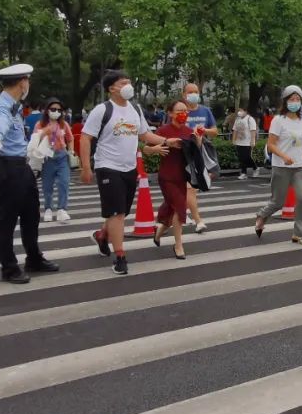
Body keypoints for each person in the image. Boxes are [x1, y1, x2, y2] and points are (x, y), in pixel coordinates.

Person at [80, 70, 177, 276]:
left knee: (120, 211)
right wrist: (86, 167)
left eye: (129, 82)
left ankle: (102, 235)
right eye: (123, 83)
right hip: (107, 166)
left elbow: (145, 134)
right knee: (117, 213)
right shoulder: (102, 110)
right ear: (111, 88)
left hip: (129, 167)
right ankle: (120, 257)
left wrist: (167, 141)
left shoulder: (135, 109)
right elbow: (86, 137)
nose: (128, 86)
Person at [0, 64, 60, 284]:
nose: (28, 85)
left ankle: (34, 258)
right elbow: (0, 125)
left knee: (31, 215)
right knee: (6, 220)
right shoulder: (2, 107)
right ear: (22, 83)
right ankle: (9, 268)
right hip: (7, 167)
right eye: (27, 81)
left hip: (21, 166)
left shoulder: (14, 106)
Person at [254, 85, 302, 245]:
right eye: (292, 99)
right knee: (278, 202)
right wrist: (284, 156)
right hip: (281, 166)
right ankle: (262, 216)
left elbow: (300, 142)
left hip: (300, 166)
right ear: (285, 101)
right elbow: (271, 145)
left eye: (298, 99)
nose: (295, 102)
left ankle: (299, 234)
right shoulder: (278, 120)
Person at [153, 99, 202, 259]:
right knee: (180, 207)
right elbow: (146, 148)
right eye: (179, 111)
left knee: (172, 208)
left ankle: (159, 232)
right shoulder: (162, 131)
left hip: (182, 177)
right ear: (170, 113)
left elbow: (195, 154)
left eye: (185, 111)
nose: (183, 114)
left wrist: (198, 140)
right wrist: (156, 149)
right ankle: (178, 245)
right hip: (167, 176)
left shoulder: (188, 131)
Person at [181, 82, 218, 233]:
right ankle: (198, 221)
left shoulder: (205, 110)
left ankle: (174, 216)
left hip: (200, 153)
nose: (193, 94)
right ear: (184, 94)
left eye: (196, 92)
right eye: (190, 92)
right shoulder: (180, 111)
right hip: (183, 153)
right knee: (190, 188)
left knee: (190, 189)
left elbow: (215, 131)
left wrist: (204, 131)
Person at [35, 98, 73, 223]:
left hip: (62, 156)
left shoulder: (63, 124)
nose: (56, 112)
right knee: (47, 185)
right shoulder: (40, 124)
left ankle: (62, 209)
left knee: (64, 183)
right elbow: (34, 140)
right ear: (47, 110)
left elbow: (70, 138)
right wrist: (44, 132)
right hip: (47, 157)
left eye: (59, 110)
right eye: (53, 109)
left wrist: (71, 151)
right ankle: (48, 209)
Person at [232, 102, 258, 180]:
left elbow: (253, 130)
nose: (239, 112)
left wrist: (253, 141)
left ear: (245, 111)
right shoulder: (237, 119)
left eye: (241, 110)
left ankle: (255, 168)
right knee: (241, 158)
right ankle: (244, 173)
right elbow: (235, 130)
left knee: (247, 157)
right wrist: (233, 139)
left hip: (247, 142)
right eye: (239, 110)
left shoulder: (250, 119)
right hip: (239, 141)